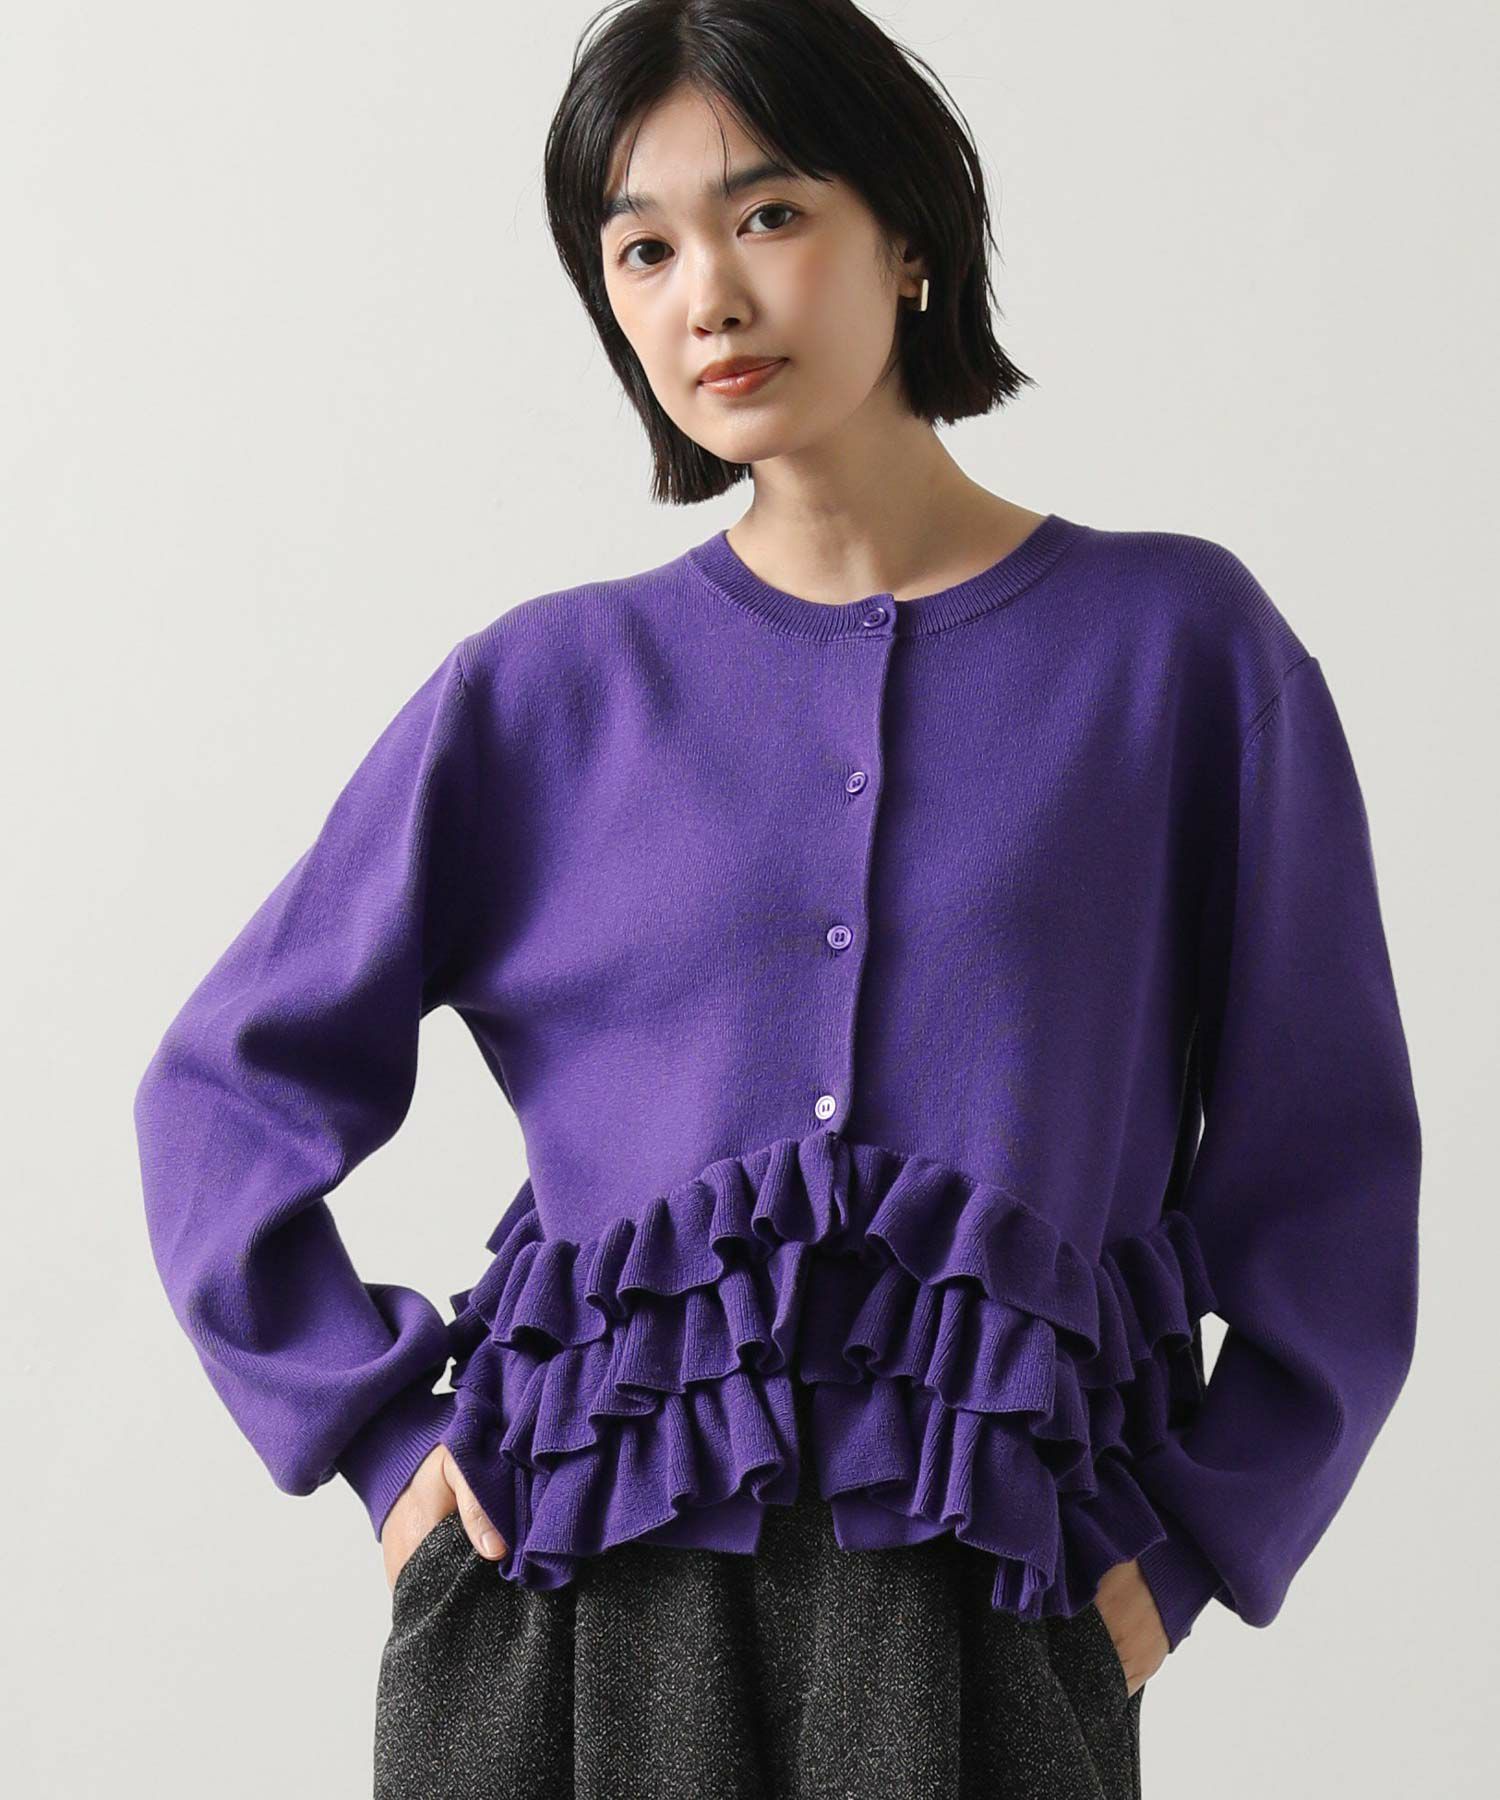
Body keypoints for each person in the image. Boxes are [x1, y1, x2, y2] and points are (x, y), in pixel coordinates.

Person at [132, 2, 1423, 1796]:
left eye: (768, 214)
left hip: (990, 1598)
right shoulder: (543, 693)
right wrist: (376, 1442)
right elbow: (221, 1095)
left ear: (910, 237)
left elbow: (1330, 1173)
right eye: (644, 251)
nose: (709, 299)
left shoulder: (1183, 656)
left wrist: (1195, 1544)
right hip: (575, 1606)